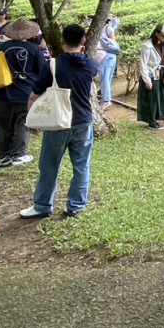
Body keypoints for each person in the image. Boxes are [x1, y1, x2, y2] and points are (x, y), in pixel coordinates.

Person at [19, 23, 100, 220]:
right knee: (81, 165)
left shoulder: (52, 65)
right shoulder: (91, 65)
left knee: (49, 165)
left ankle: (42, 205)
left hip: (58, 123)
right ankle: (76, 205)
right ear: (84, 41)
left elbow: (34, 95)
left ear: (62, 40)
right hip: (83, 121)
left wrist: (32, 120)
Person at [0, 18, 45, 168]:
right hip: (25, 92)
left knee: (2, 124)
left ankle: (3, 155)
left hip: (2, 91)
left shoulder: (1, 47)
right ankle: (18, 154)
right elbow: (42, 70)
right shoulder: (34, 49)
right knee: (22, 122)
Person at [137, 23, 164, 130]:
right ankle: (151, 120)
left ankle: (160, 115)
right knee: (152, 98)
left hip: (161, 72)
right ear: (156, 33)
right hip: (151, 73)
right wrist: (147, 80)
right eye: (163, 35)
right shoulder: (147, 46)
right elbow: (143, 64)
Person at [97, 14, 121, 110]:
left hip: (107, 56)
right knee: (106, 77)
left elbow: (112, 41)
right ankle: (105, 98)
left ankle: (106, 100)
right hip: (106, 56)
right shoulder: (102, 28)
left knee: (105, 77)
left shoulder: (108, 28)